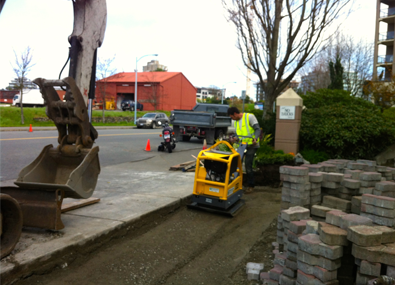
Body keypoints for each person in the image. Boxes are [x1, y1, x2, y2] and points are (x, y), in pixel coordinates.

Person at [227, 107, 261, 194]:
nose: (232, 119)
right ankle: (237, 184)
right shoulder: (235, 121)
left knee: (248, 165)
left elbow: (257, 129)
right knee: (237, 164)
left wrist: (255, 138)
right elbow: (238, 134)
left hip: (252, 145)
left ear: (235, 114)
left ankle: (251, 186)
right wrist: (234, 138)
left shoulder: (249, 117)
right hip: (242, 145)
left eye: (232, 117)